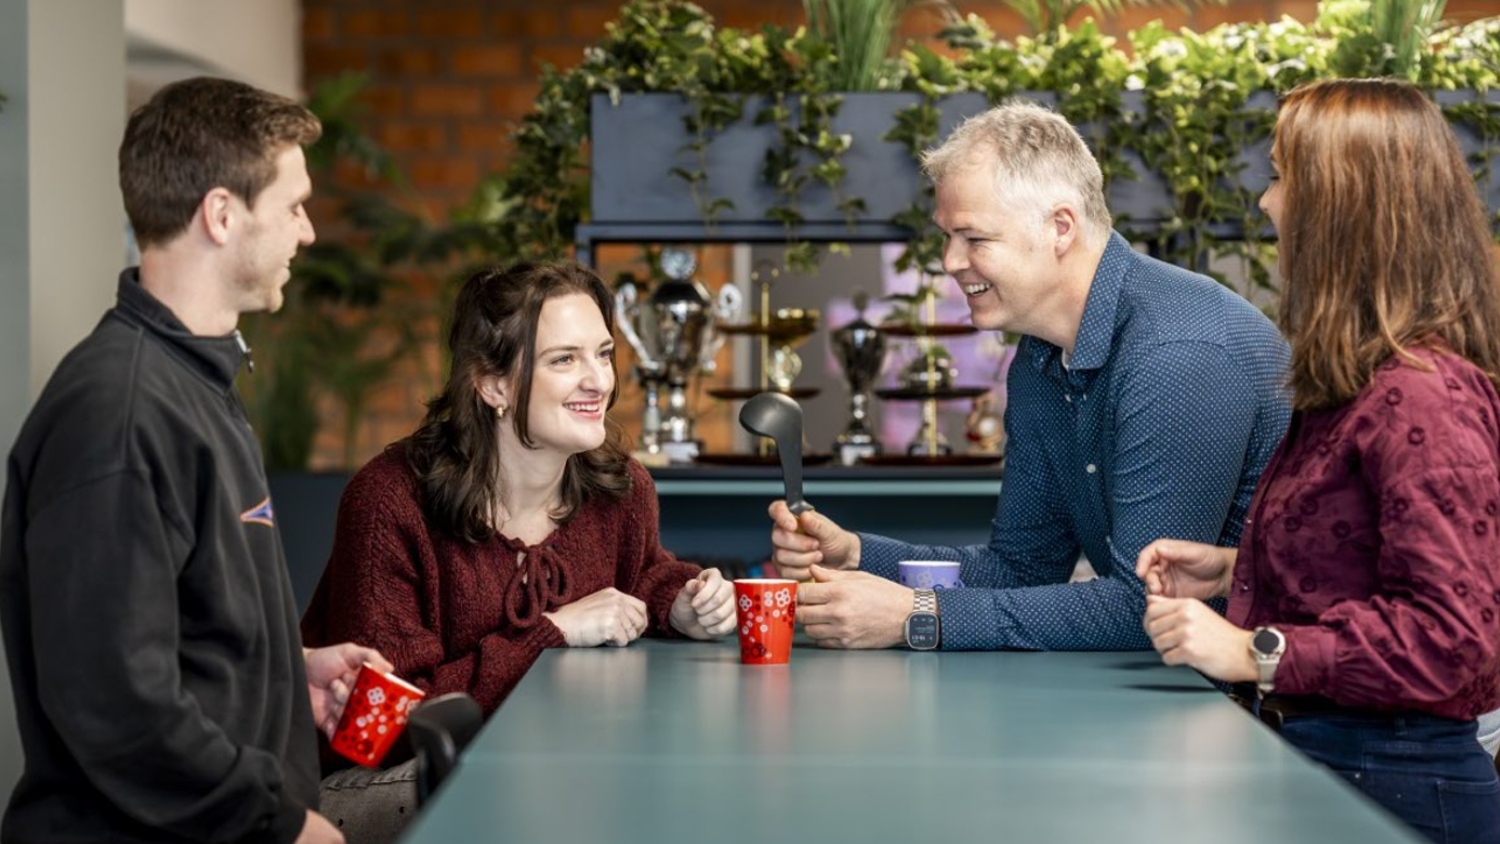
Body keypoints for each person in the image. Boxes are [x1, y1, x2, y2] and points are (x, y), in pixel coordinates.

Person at [0, 77, 389, 844]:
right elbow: (114, 704)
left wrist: (284, 672)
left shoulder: (194, 384)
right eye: (292, 207)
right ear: (221, 214)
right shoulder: (120, 413)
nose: (306, 234)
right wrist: (279, 823)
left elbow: (175, 627)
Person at [768, 100, 1292, 651]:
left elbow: (1149, 607)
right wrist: (855, 553)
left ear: (1060, 227)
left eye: (974, 238)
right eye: (947, 237)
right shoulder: (1041, 356)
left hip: (1254, 707)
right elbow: (1022, 568)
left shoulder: (1176, 352)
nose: (949, 261)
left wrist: (919, 614)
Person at [1137, 78, 1500, 844]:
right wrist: (1237, 570)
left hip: (1395, 788)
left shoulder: (1421, 396)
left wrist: (1254, 650)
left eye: (1279, 176)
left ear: (1340, 206)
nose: (1266, 203)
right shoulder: (1356, 383)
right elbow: (1370, 563)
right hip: (1337, 767)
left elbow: (1453, 642)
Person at [299, 262, 737, 837]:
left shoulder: (622, 490)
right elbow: (384, 726)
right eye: (565, 359)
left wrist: (679, 602)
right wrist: (550, 633)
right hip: (377, 783)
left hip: (551, 767)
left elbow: (642, 574)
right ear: (493, 384)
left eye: (603, 354)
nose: (599, 381)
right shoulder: (389, 502)